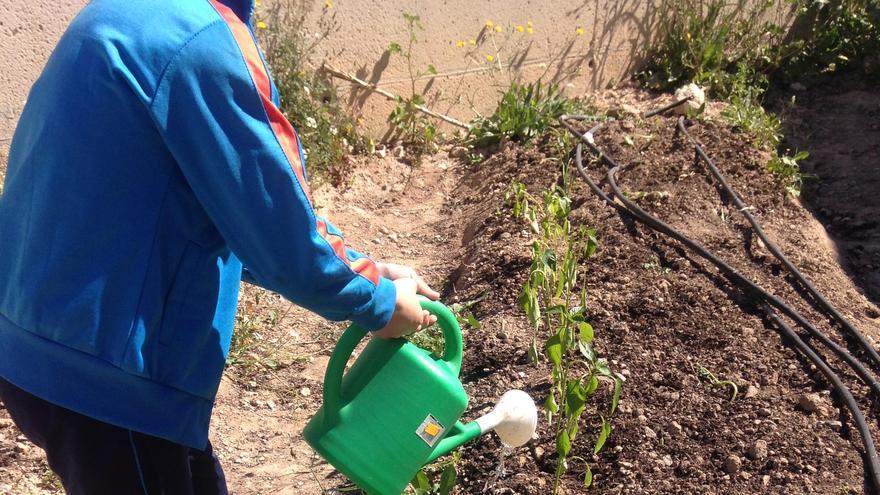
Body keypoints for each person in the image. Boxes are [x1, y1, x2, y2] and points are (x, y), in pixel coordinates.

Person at [0, 0, 439, 493]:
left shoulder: (123, 12)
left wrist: (369, 271)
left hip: (43, 344)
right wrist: (378, 302)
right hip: (111, 381)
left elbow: (211, 209)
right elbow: (278, 227)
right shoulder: (200, 42)